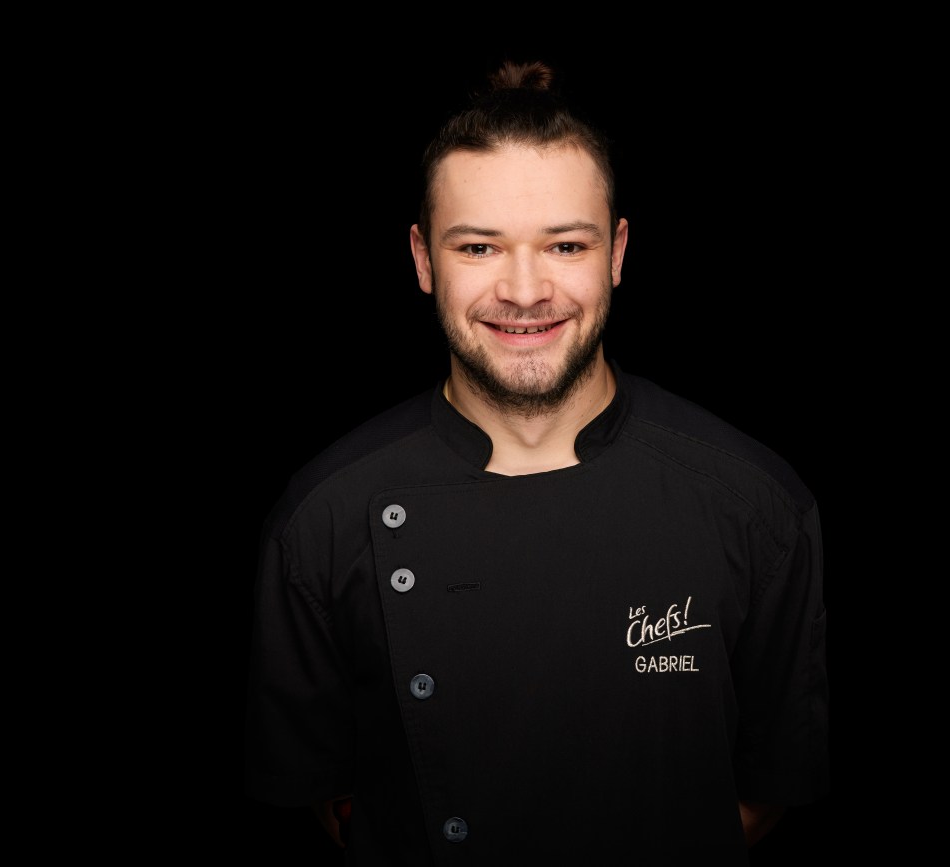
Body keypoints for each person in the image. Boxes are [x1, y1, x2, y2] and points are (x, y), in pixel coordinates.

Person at [243, 59, 829, 864]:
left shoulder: (758, 505)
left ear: (617, 251)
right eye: (479, 246)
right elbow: (329, 796)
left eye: (565, 244)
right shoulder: (322, 519)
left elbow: (766, 786)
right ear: (423, 259)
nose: (524, 291)